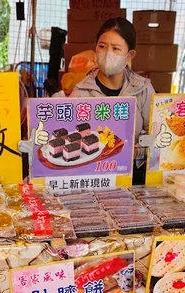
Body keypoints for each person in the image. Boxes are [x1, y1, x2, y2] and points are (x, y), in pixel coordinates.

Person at [69, 18, 167, 182]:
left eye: (116, 49)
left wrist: (135, 151)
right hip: (90, 177)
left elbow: (156, 134)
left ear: (130, 55)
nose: (108, 54)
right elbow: (72, 135)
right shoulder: (80, 93)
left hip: (132, 177)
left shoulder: (142, 89)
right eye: (102, 46)